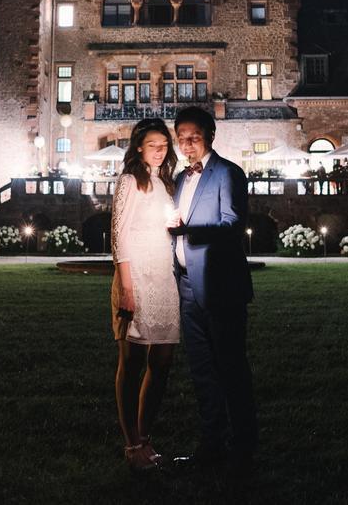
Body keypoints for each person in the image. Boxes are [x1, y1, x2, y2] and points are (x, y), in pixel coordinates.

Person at [168, 106, 257, 472]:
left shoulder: (228, 173)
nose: (187, 145)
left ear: (210, 136)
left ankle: (243, 446)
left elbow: (232, 224)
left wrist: (188, 231)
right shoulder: (178, 179)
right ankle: (211, 443)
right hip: (187, 287)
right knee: (202, 370)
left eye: (194, 138)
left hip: (220, 286)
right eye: (182, 138)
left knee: (231, 368)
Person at [110, 118, 181, 471]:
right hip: (136, 277)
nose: (159, 150)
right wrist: (126, 287)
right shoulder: (128, 181)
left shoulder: (164, 182)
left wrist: (174, 223)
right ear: (138, 147)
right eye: (153, 144)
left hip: (163, 278)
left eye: (164, 145)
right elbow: (119, 235)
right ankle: (131, 443)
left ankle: (146, 434)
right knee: (133, 362)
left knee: (163, 360)